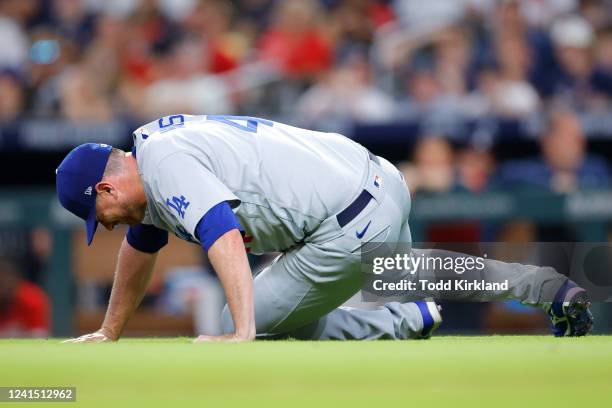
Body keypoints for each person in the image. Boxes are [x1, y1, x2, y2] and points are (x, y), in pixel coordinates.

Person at [56, 114, 592, 343]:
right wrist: (109, 330)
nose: (101, 228)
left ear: (105, 190)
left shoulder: (164, 163)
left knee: (243, 316)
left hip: (343, 224)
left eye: (95, 217)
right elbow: (140, 246)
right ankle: (546, 287)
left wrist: (240, 333)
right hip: (379, 180)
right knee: (412, 273)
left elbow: (220, 232)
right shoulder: (157, 153)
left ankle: (399, 320)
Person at [0, 259, 50, 338]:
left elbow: (40, 334)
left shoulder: (31, 298)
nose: (4, 286)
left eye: (7, 279)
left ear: (17, 280)